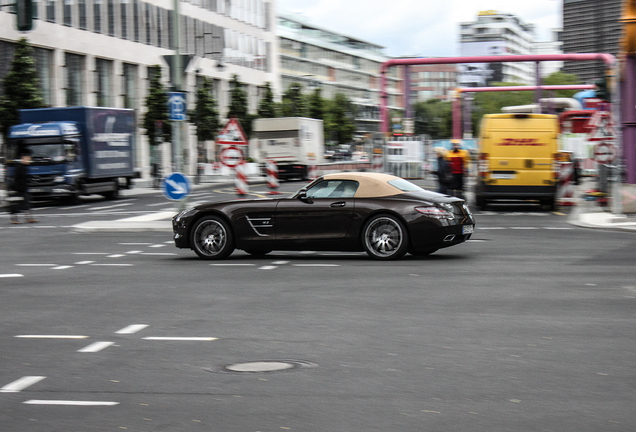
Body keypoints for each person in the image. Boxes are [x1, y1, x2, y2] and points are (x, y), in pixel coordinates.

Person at [9, 148, 38, 224]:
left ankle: (29, 218)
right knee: (16, 204)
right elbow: (18, 179)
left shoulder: (24, 167)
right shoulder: (20, 167)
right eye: (28, 159)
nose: (29, 160)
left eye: (29, 159)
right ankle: (14, 219)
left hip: (23, 188)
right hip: (18, 189)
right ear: (23, 159)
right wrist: (16, 188)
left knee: (26, 203)